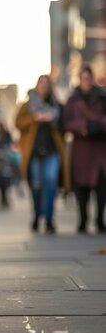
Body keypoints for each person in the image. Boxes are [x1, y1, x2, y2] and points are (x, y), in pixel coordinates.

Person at [16, 75, 69, 234]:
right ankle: (37, 215)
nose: (44, 86)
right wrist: (35, 118)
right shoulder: (28, 105)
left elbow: (64, 126)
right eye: (42, 83)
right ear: (37, 85)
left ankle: (49, 219)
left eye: (47, 84)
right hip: (34, 152)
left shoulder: (56, 105)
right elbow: (18, 123)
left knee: (51, 183)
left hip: (52, 151)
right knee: (36, 186)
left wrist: (53, 119)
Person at [63, 67, 106, 234]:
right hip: (81, 151)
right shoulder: (73, 100)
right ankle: (83, 220)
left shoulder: (102, 97)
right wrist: (82, 127)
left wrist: (99, 124)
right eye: (83, 78)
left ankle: (100, 220)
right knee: (82, 189)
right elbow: (66, 123)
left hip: (100, 150)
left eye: (88, 78)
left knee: (102, 187)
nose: (86, 81)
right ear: (80, 80)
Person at [0, 122, 15, 210]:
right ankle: (3, 198)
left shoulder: (6, 135)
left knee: (6, 180)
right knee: (0, 180)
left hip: (5, 162)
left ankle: (5, 198)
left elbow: (10, 145)